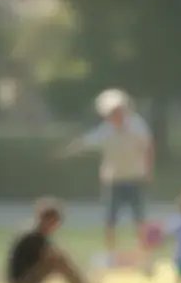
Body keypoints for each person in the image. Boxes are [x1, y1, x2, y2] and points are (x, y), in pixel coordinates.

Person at [56, 88, 154, 254]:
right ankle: (110, 253)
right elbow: (85, 142)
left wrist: (149, 170)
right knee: (110, 219)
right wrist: (65, 152)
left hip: (135, 178)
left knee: (140, 218)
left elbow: (148, 147)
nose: (115, 116)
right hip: (113, 180)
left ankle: (143, 253)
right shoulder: (105, 130)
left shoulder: (138, 126)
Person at [6, 198, 87, 283]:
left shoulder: (36, 235)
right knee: (57, 260)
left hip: (22, 279)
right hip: (20, 282)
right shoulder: (34, 237)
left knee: (58, 257)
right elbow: (52, 257)